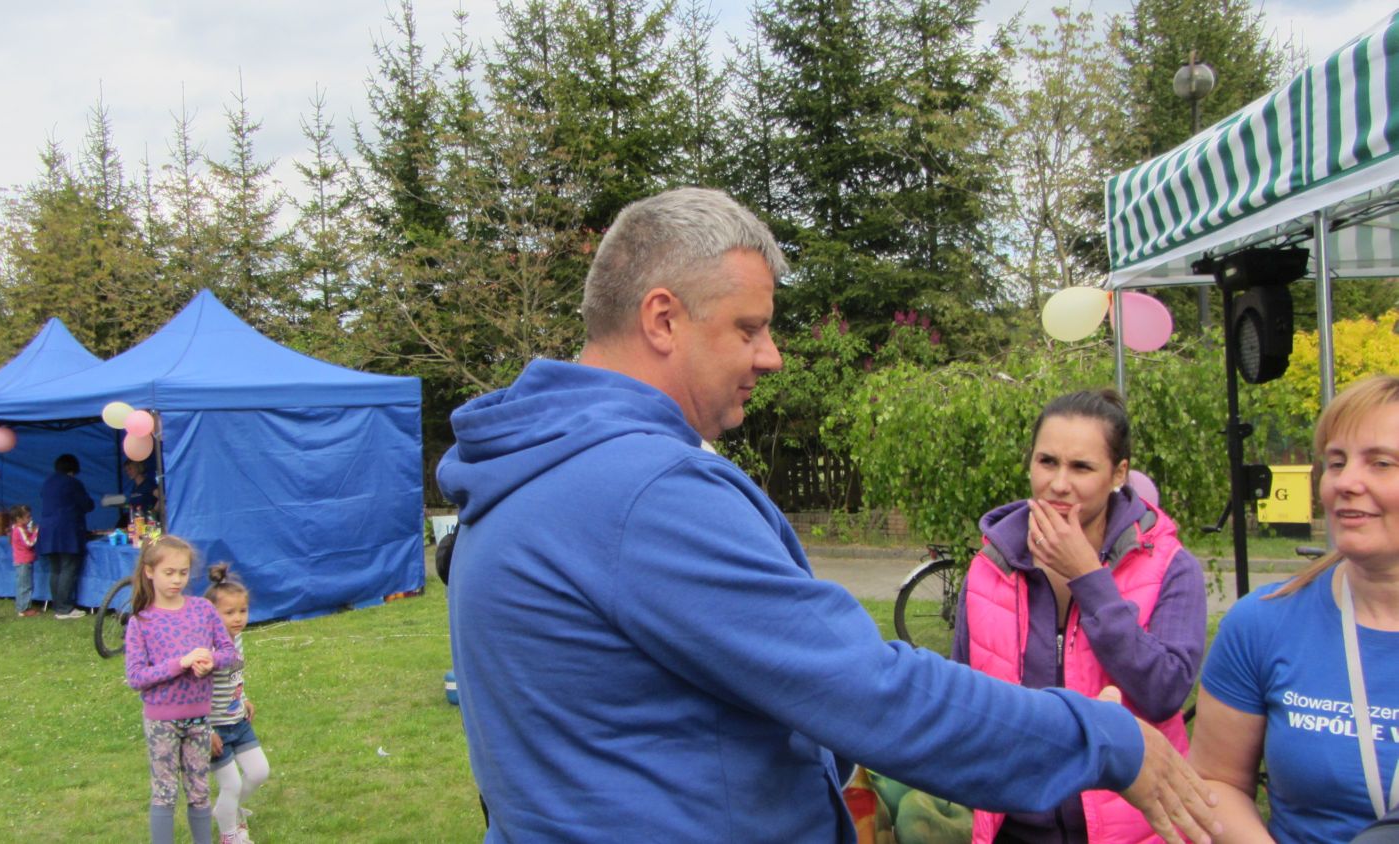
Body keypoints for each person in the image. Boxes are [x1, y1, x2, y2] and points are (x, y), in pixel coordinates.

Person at [435, 187, 1219, 843]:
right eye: (748, 328)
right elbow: (869, 692)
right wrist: (1105, 739)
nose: (771, 355)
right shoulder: (644, 493)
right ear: (663, 319)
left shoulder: (526, 469)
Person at [950, 389, 1207, 843]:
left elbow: (1165, 692)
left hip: (1131, 829)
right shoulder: (992, 568)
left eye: (1081, 467)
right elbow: (963, 699)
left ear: (1119, 473)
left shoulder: (1170, 566)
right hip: (1015, 827)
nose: (1059, 483)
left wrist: (1090, 579)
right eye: (1047, 462)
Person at [1190, 374, 1399, 843]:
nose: (1346, 482)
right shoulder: (1262, 623)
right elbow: (1215, 781)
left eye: (1381, 463)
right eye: (1336, 462)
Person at [124, 535, 240, 844]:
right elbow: (136, 676)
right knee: (165, 793)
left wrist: (210, 662)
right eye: (169, 572)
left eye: (183, 572)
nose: (177, 580)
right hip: (161, 721)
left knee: (199, 791)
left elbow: (229, 653)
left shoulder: (203, 609)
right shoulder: (141, 621)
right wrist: (180, 663)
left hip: (199, 719)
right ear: (149, 571)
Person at [204, 564, 268, 844]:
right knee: (231, 784)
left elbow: (234, 676)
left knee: (259, 772)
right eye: (229, 612)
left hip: (238, 722)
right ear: (211, 614)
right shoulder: (207, 649)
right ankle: (229, 835)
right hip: (215, 729)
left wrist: (243, 698)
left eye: (243, 611)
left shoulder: (238, 638)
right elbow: (195, 693)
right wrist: (206, 730)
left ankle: (226, 811)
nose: (238, 618)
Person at [37, 453, 95, 619]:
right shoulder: (73, 483)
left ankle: (58, 606)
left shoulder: (47, 482)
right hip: (67, 531)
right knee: (68, 568)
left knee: (55, 569)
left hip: (47, 530)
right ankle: (64, 609)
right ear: (73, 469)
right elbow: (86, 504)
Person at [8, 504, 40, 618]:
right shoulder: (19, 529)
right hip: (23, 561)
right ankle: (23, 609)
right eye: (27, 517)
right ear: (18, 519)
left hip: (24, 561)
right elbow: (29, 543)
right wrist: (36, 532)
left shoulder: (21, 529)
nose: (30, 519)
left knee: (25, 584)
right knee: (24, 586)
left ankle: (25, 606)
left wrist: (31, 532)